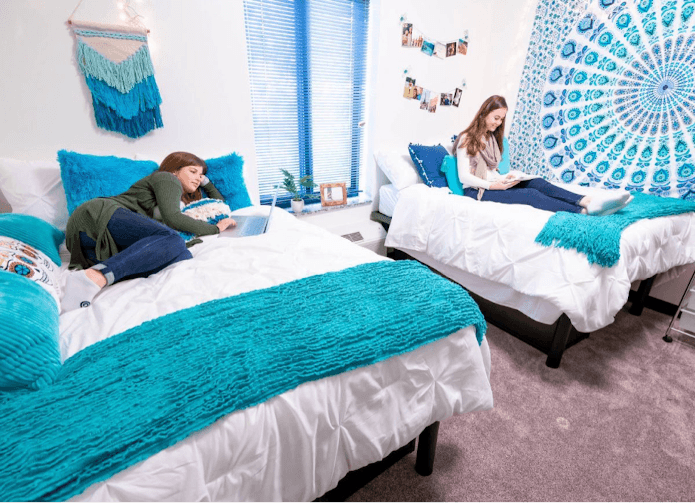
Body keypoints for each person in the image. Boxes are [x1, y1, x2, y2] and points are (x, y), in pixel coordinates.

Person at [62, 151, 237, 312]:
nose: (198, 178)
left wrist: (206, 182)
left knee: (180, 254)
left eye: (201, 175)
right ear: (175, 170)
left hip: (92, 239)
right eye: (193, 172)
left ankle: (91, 277)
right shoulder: (167, 178)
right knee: (173, 241)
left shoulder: (179, 196)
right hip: (98, 215)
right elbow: (173, 218)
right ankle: (95, 277)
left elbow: (218, 204)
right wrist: (214, 229)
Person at [453, 95, 632, 215]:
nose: (499, 123)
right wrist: (493, 186)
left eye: (501, 119)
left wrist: (505, 178)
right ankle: (583, 212)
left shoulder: (491, 139)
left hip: (493, 184)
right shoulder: (466, 138)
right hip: (477, 192)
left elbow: (492, 172)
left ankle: (587, 200)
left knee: (536, 182)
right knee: (530, 194)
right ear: (484, 113)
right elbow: (464, 177)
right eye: (496, 118)